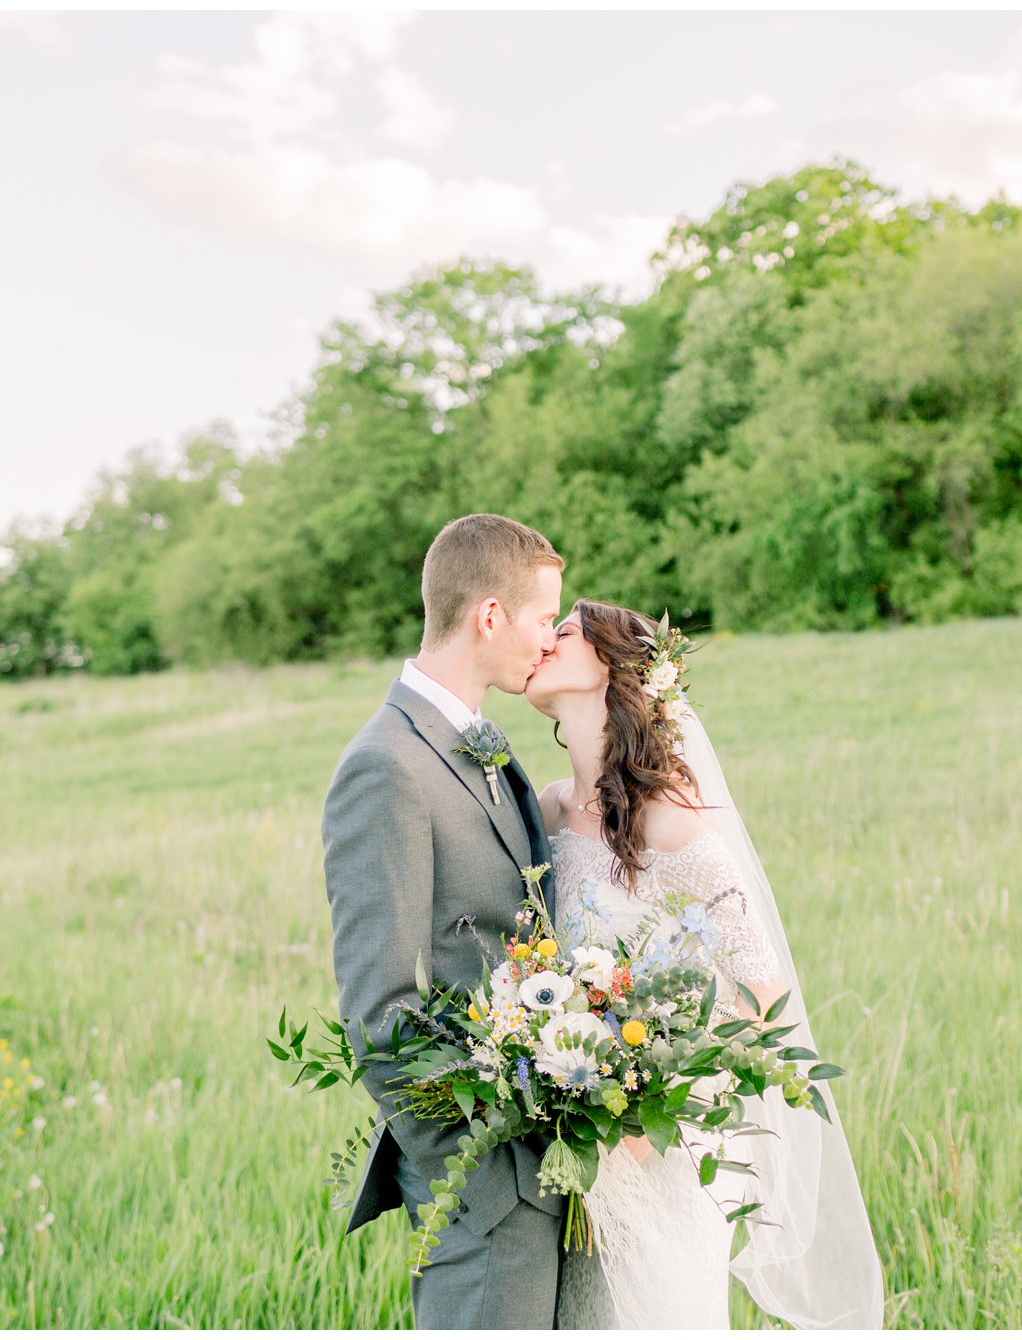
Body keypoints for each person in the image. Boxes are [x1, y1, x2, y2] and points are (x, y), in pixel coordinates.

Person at [525, 599, 886, 1330]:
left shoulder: (678, 826)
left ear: (614, 668)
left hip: (663, 1145)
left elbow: (763, 991)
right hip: (566, 1138)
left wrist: (652, 1094)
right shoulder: (547, 810)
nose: (544, 641)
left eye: (564, 632)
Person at [321, 513, 570, 1329]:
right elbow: (379, 1010)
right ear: (489, 616)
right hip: (485, 1189)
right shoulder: (385, 766)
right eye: (542, 619)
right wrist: (476, 1175)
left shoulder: (481, 739)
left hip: (551, 1165)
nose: (550, 639)